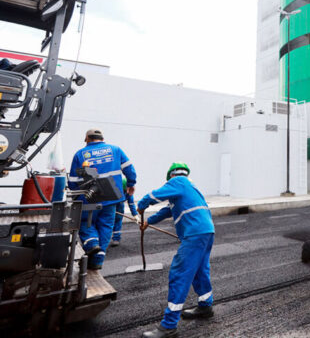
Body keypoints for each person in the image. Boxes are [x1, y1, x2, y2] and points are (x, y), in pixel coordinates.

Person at [138, 163, 215, 338]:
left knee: (179, 274)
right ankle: (205, 306)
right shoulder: (190, 188)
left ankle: (169, 325)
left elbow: (154, 195)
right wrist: (149, 222)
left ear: (171, 176)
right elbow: (167, 211)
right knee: (200, 271)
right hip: (206, 232)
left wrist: (142, 204)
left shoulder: (178, 181)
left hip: (195, 235)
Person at [68, 128, 137, 269]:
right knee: (106, 226)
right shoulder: (115, 150)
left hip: (89, 198)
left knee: (86, 223)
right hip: (111, 198)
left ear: (87, 138)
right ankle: (97, 261)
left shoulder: (80, 154)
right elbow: (129, 169)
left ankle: (92, 244)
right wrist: (131, 184)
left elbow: (73, 181)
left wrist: (75, 193)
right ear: (102, 138)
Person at [109, 177, 140, 247]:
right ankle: (103, 240)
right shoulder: (113, 191)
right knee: (109, 223)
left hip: (120, 208)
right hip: (111, 208)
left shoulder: (128, 193)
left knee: (118, 221)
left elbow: (131, 204)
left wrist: (135, 215)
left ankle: (116, 239)